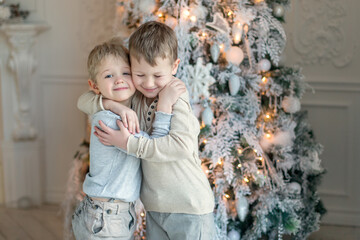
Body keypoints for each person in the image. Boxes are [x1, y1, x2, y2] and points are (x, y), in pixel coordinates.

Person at [78, 21, 216, 240]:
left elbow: (179, 147)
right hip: (155, 206)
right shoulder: (135, 95)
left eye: (158, 76)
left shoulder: (176, 98)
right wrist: (114, 106)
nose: (149, 83)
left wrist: (128, 144)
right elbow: (85, 100)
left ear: (174, 67)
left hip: (189, 205)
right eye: (139, 75)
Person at [72, 38, 185, 240]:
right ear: (94, 86)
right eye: (109, 75)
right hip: (106, 217)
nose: (119, 79)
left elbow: (86, 100)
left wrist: (115, 105)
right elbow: (153, 144)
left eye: (125, 73)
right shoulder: (112, 121)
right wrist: (165, 104)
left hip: (111, 212)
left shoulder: (121, 110)